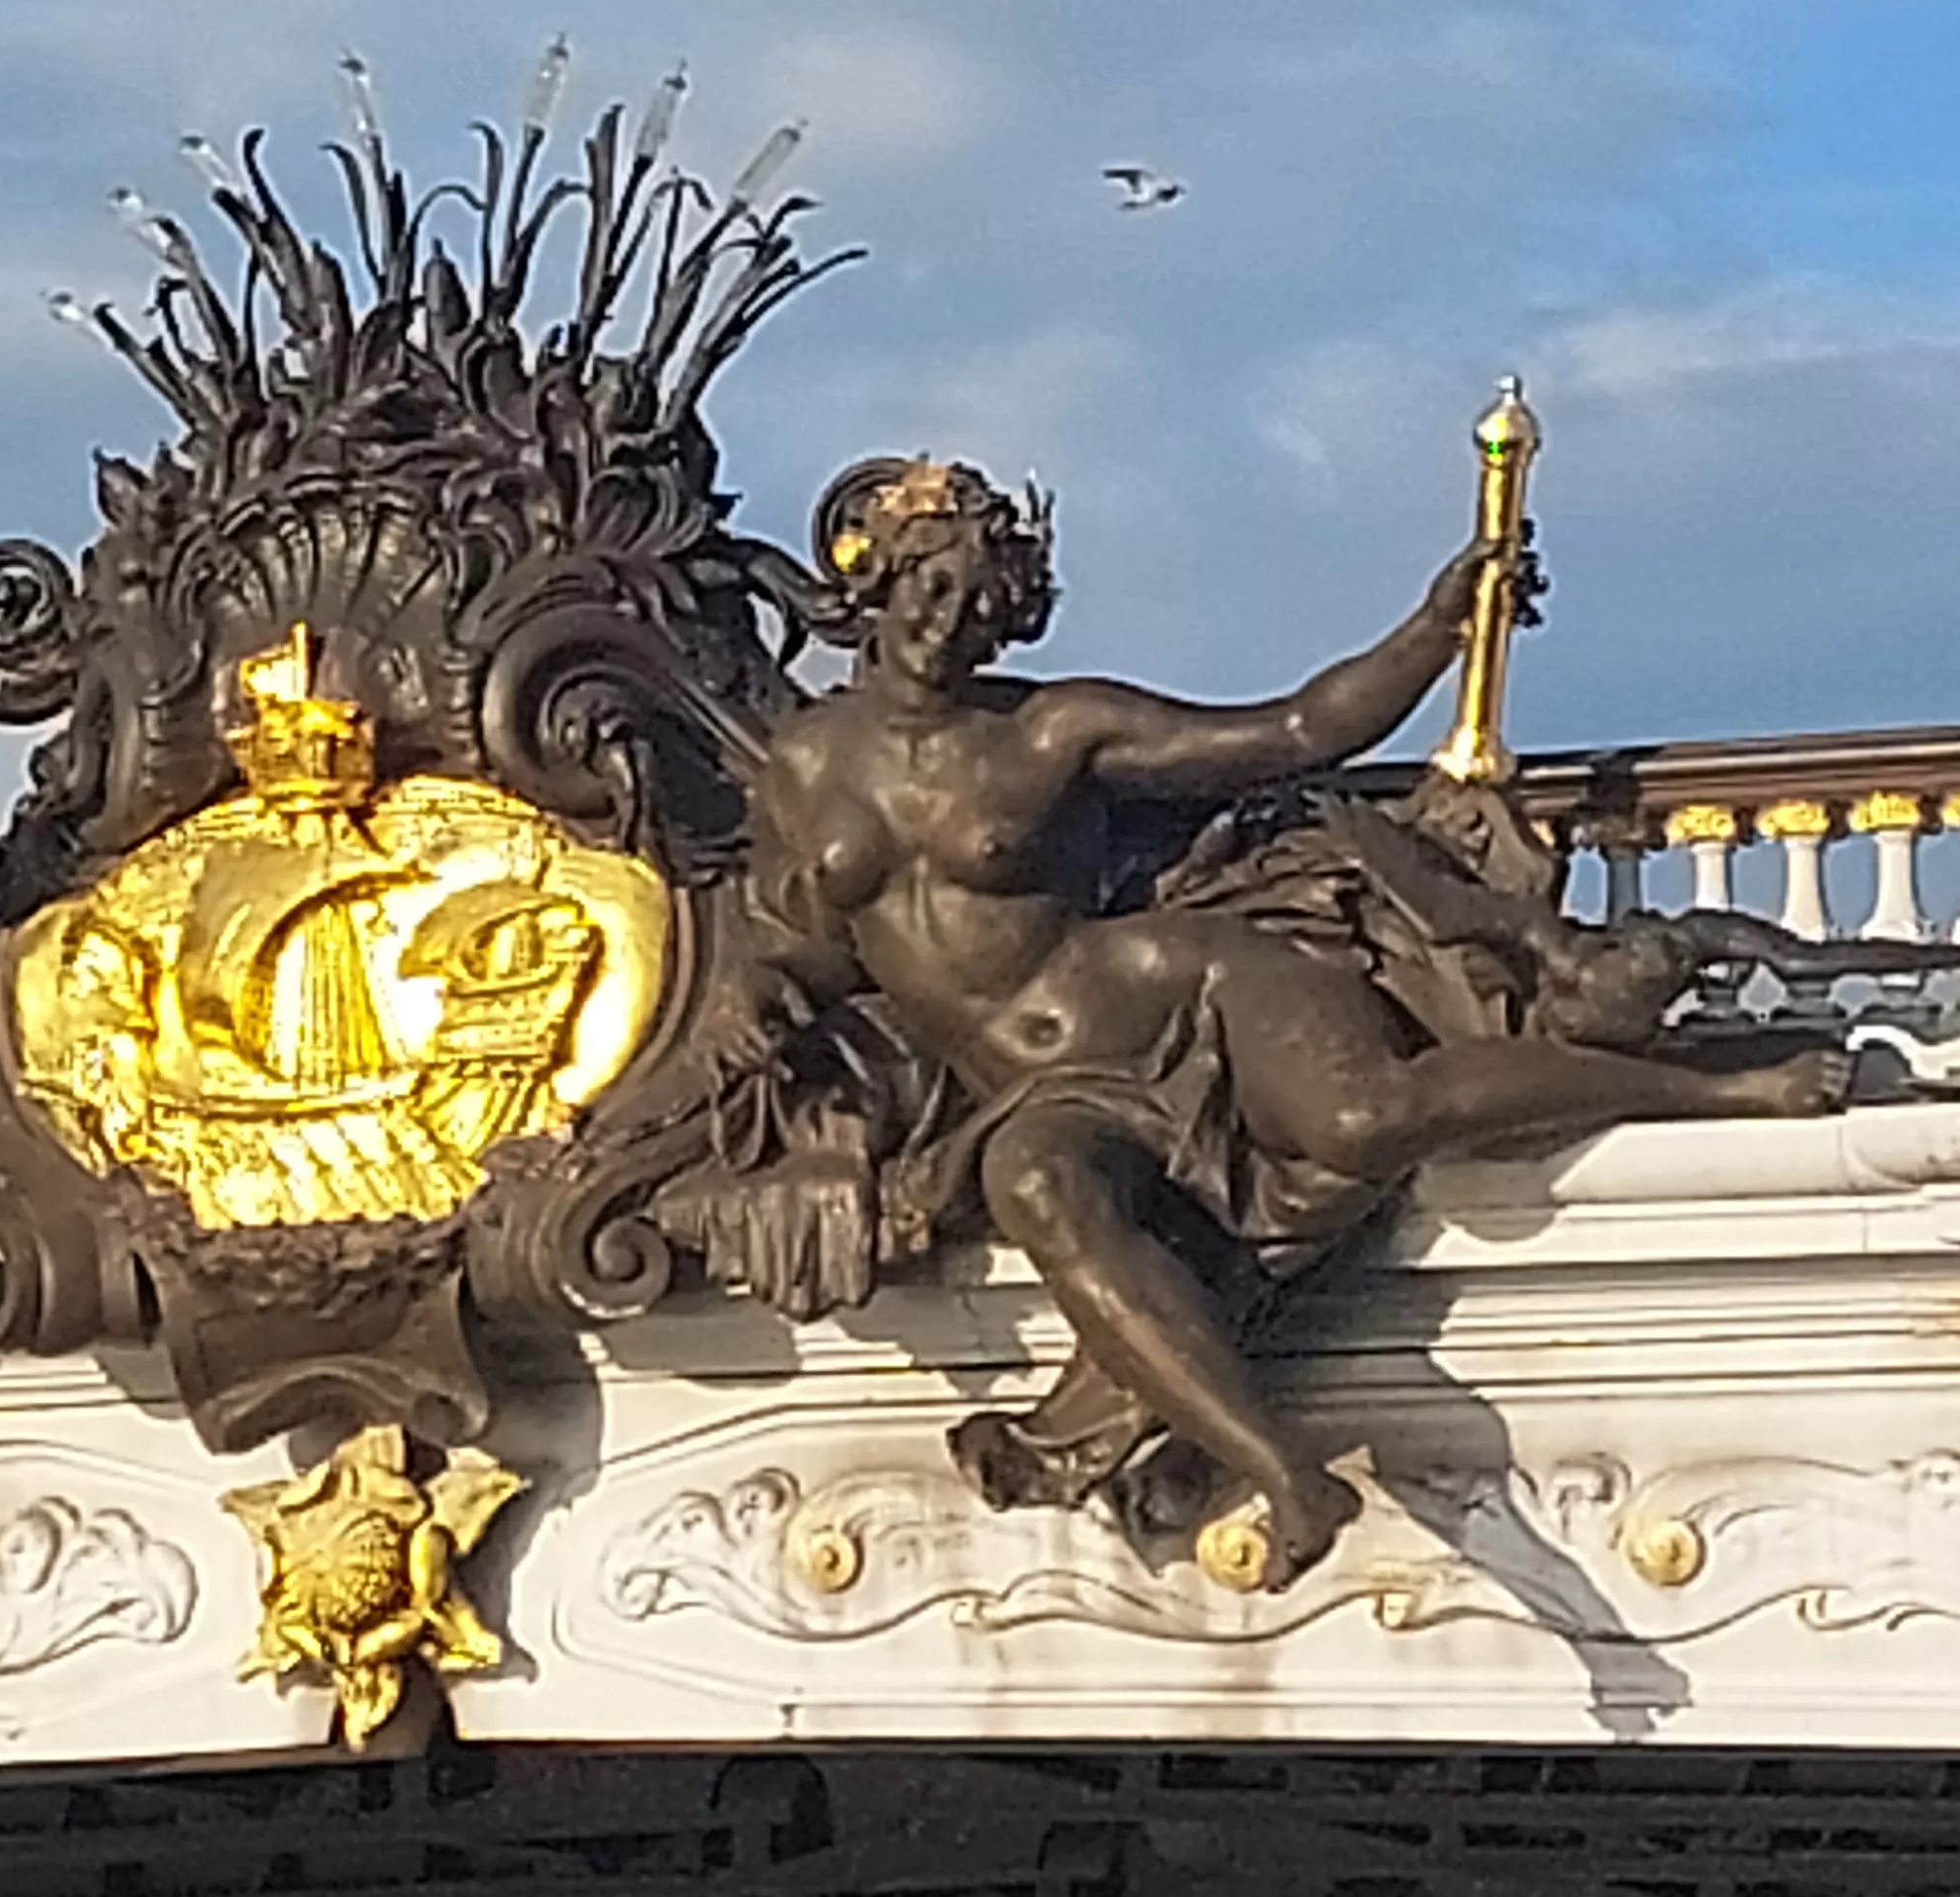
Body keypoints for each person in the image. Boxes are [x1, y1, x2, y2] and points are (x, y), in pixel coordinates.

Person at [734, 461, 1843, 1584]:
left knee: (1364, 1120)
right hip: (1040, 1093)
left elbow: (1295, 730)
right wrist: (772, 1003)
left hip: (1183, 993)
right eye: (931, 587)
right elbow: (810, 945)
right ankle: (1284, 1476)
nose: (946, 620)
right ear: (879, 583)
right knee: (1035, 1185)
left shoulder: (1056, 729)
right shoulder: (804, 762)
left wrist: (1436, 629)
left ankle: (1711, 1089)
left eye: (979, 603)